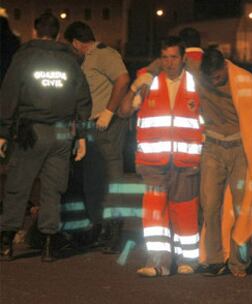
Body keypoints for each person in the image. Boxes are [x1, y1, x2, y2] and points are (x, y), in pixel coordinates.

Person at [135, 47, 252, 278]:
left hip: (240, 148)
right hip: (213, 147)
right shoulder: (198, 70)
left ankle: (239, 261)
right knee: (210, 205)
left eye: (218, 77)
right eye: (211, 78)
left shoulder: (246, 81)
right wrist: (148, 73)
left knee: (241, 208)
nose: (215, 82)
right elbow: (165, 58)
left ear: (225, 67)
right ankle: (214, 260)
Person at [0, 13, 91, 262]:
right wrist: (81, 135)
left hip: (31, 132)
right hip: (62, 134)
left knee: (18, 187)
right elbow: (83, 99)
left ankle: (6, 241)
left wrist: (3, 132)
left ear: (34, 30)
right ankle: (49, 245)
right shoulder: (70, 61)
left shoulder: (24, 57)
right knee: (53, 190)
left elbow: (9, 95)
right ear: (59, 34)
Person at [121, 37, 203, 277]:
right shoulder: (149, 81)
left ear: (183, 58)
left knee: (185, 212)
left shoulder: (196, 82)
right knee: (155, 213)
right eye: (164, 57)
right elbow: (125, 110)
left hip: (186, 161)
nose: (169, 62)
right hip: (153, 163)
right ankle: (157, 263)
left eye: (173, 57)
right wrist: (136, 86)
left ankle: (188, 259)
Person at [64, 22, 130, 253]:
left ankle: (113, 230)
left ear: (75, 43)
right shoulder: (90, 58)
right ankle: (101, 227)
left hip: (106, 126)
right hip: (93, 125)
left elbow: (123, 79)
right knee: (95, 180)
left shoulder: (104, 54)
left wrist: (109, 111)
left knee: (113, 179)